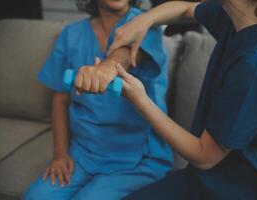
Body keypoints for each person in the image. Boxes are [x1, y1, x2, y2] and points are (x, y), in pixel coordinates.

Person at [107, 0, 257, 199]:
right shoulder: (233, 17)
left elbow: (205, 156)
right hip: (206, 179)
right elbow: (185, 9)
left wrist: (140, 99)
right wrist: (145, 20)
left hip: (245, 191)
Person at [23, 0, 173, 199]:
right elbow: (60, 100)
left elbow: (127, 55)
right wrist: (61, 153)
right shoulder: (71, 35)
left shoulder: (145, 24)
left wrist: (107, 68)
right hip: (84, 154)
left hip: (138, 158)